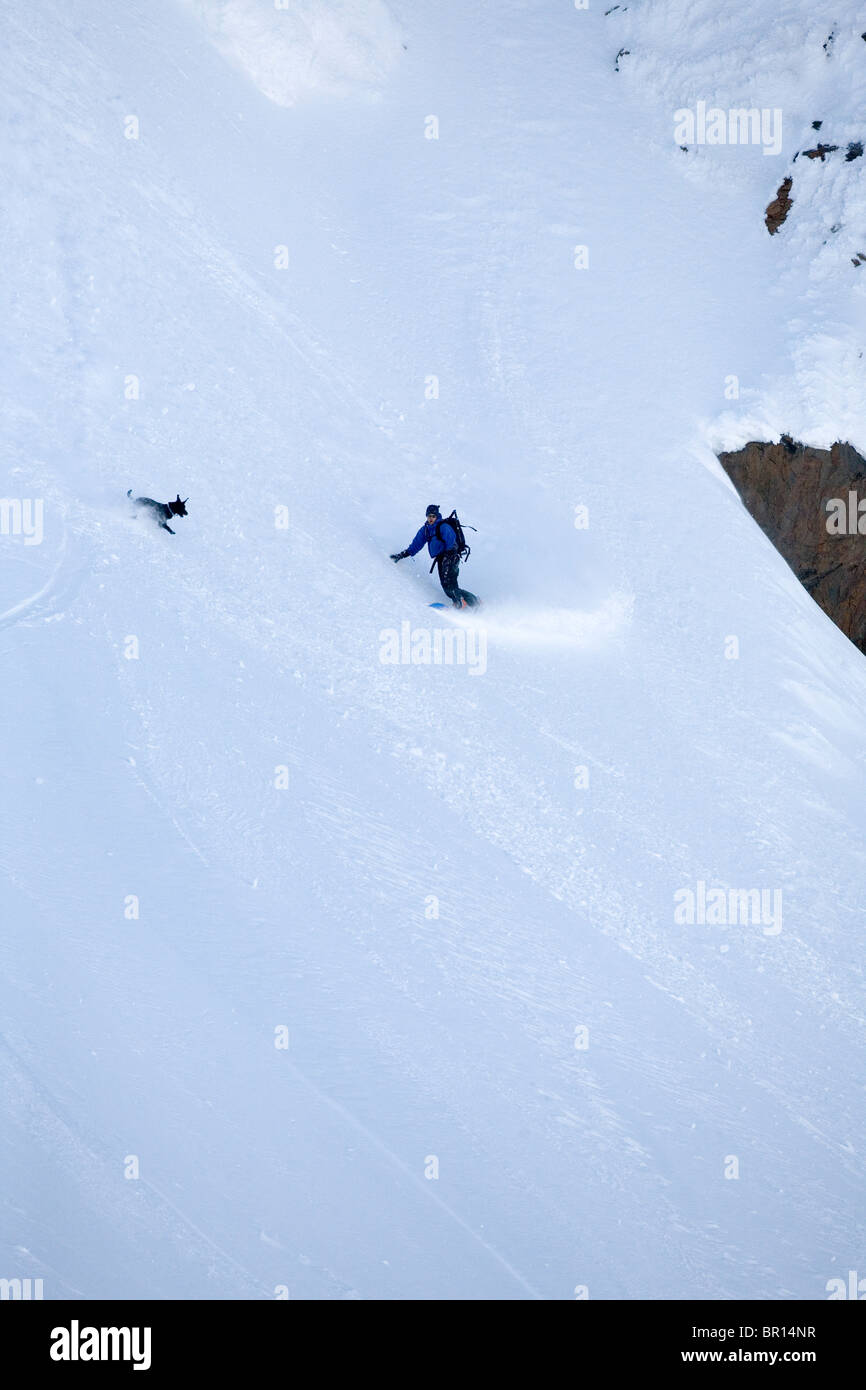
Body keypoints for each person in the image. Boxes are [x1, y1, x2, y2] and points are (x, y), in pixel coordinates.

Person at [391, 504, 480, 608]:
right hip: (441, 558)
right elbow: (416, 544)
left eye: (433, 516)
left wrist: (448, 557)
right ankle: (472, 602)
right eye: (429, 516)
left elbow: (452, 542)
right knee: (448, 585)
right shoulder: (426, 530)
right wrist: (403, 554)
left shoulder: (443, 526)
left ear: (437, 516)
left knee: (448, 584)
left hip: (451, 556)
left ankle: (461, 603)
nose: (431, 518)